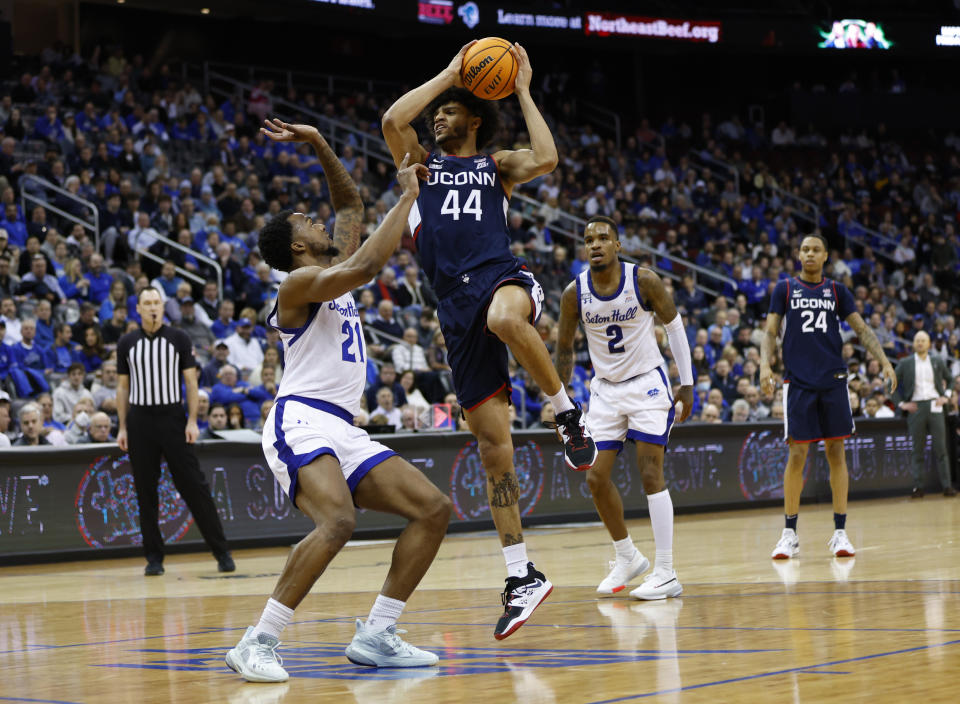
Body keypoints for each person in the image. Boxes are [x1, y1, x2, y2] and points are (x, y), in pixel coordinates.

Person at [225, 119, 450, 682]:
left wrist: (319, 143)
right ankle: (258, 641)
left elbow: (348, 203)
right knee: (338, 521)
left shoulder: (329, 268)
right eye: (307, 221)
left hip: (343, 429)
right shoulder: (297, 284)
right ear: (297, 245)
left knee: (434, 510)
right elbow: (369, 264)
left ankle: (377, 633)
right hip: (299, 419)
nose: (320, 219)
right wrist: (406, 197)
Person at [383, 41, 595, 637]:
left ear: (474, 117)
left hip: (500, 276)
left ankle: (564, 411)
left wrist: (523, 90)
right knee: (493, 448)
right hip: (452, 306)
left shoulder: (495, 165)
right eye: (437, 113)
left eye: (448, 110)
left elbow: (549, 158)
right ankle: (520, 572)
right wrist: (449, 72)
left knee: (507, 320)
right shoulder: (420, 165)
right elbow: (392, 120)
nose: (436, 117)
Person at [554, 216, 693, 599]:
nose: (595, 244)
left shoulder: (643, 280)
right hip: (606, 392)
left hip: (648, 383)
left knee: (650, 472)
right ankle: (627, 556)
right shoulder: (573, 293)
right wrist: (561, 404)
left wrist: (688, 384)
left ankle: (666, 571)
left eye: (603, 238)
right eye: (588, 240)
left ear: (617, 245)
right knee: (595, 478)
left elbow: (675, 325)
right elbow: (564, 349)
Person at [761, 234, 897, 560]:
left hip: (834, 381)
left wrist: (886, 362)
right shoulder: (784, 289)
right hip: (798, 383)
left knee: (837, 452)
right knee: (797, 456)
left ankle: (840, 532)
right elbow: (769, 331)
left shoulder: (838, 291)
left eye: (815, 249)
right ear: (798, 255)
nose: (809, 253)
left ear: (825, 256)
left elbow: (862, 330)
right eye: (804, 249)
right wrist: (765, 364)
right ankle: (789, 534)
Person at [117, 287, 234, 576]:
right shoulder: (127, 342)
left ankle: (221, 552)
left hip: (172, 418)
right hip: (140, 421)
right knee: (145, 492)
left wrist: (192, 420)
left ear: (162, 306)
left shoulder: (179, 338)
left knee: (195, 487)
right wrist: (121, 426)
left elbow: (192, 384)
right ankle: (154, 558)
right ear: (139, 309)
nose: (153, 307)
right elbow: (122, 386)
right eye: (147, 303)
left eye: (157, 302)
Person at [893, 330, 956, 497]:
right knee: (917, 449)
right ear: (913, 344)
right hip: (916, 407)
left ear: (929, 344)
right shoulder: (905, 363)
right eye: (917, 340)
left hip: (935, 405)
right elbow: (891, 382)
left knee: (941, 449)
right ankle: (918, 487)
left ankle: (947, 486)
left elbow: (950, 379)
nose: (920, 343)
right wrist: (902, 404)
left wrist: (946, 396)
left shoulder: (937, 360)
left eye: (923, 340)